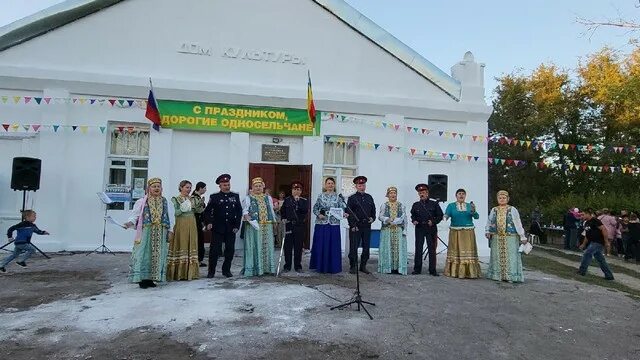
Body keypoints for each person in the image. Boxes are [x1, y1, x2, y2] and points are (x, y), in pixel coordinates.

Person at [124, 178, 173, 288]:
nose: (156, 188)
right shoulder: (142, 201)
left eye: (158, 186)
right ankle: (142, 279)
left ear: (161, 188)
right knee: (143, 253)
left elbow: (171, 217)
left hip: (161, 231)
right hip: (146, 231)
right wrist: (129, 223)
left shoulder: (165, 201)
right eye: (154, 186)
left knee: (158, 254)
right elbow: (135, 215)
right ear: (149, 188)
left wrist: (170, 231)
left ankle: (152, 279)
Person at [203, 174, 242, 278]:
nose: (227, 187)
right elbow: (207, 212)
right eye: (224, 185)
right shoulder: (214, 197)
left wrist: (237, 226)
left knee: (229, 250)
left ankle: (226, 270)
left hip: (231, 228)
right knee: (214, 251)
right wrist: (209, 222)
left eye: (228, 184)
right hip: (217, 228)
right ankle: (211, 271)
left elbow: (239, 212)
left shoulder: (235, 196)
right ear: (220, 186)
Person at [485, 190, 527, 283]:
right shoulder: (494, 209)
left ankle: (511, 276)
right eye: (500, 198)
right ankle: (497, 275)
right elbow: (490, 220)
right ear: (497, 199)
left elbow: (517, 222)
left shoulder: (512, 209)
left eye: (504, 198)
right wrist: (487, 231)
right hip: (497, 237)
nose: (502, 199)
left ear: (508, 199)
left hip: (510, 237)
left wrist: (522, 236)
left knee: (511, 257)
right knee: (496, 256)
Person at [242, 177, 278, 276]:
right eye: (256, 186)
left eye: (260, 186)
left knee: (267, 247)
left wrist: (274, 222)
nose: (258, 188)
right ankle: (256, 269)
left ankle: (267, 269)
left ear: (263, 187)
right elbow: (245, 210)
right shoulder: (248, 198)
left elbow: (271, 209)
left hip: (267, 225)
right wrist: (246, 216)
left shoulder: (268, 197)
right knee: (255, 246)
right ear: (252, 188)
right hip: (254, 226)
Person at [443, 189, 481, 279]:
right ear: (456, 195)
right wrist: (444, 218)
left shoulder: (469, 205)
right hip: (455, 231)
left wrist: (474, 211)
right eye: (459, 194)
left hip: (468, 231)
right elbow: (446, 215)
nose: (461, 195)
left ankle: (470, 272)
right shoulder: (451, 206)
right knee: (456, 250)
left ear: (465, 196)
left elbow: (477, 217)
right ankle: (455, 272)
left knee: (468, 252)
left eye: (463, 194)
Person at [310, 177, 345, 274]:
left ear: (334, 185)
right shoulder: (320, 196)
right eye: (328, 183)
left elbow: (343, 209)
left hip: (334, 224)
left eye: (332, 183)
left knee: (333, 245)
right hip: (322, 223)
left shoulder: (338, 198)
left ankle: (333, 267)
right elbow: (315, 208)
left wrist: (344, 213)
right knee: (322, 244)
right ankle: (320, 266)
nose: (330, 185)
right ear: (325, 185)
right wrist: (319, 214)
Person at [167, 180, 200, 281]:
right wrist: (182, 209)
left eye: (190, 187)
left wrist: (200, 205)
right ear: (181, 187)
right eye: (187, 187)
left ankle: (190, 273)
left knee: (191, 243)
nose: (189, 189)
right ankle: (178, 272)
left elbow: (197, 211)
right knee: (181, 243)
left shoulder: (193, 199)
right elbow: (174, 213)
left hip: (192, 223)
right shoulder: (175, 199)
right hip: (180, 224)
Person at [410, 183, 444, 276]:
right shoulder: (415, 205)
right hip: (420, 228)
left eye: (424, 192)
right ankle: (417, 269)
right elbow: (413, 215)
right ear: (418, 194)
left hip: (431, 228)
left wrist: (433, 222)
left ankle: (432, 270)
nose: (422, 194)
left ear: (427, 193)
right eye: (420, 192)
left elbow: (440, 216)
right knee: (418, 249)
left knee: (432, 249)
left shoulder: (434, 204)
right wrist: (414, 220)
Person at [347, 176, 376, 274]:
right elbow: (349, 213)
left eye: (363, 185)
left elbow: (373, 211)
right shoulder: (352, 198)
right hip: (356, 226)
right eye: (359, 185)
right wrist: (352, 225)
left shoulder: (369, 197)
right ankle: (353, 266)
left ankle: (363, 265)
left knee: (366, 247)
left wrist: (373, 218)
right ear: (356, 186)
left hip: (366, 226)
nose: (361, 187)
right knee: (353, 247)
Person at [377, 186, 408, 275]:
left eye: (394, 193)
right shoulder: (384, 205)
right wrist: (387, 219)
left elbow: (404, 218)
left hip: (398, 230)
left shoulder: (401, 205)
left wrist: (405, 229)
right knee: (388, 247)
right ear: (388, 195)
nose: (393, 195)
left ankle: (398, 268)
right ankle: (387, 267)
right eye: (391, 193)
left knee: (398, 249)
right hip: (387, 230)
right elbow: (380, 216)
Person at [577, 208, 614, 280]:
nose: (582, 216)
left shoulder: (595, 220)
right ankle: (609, 275)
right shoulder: (587, 222)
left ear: (588, 214)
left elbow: (604, 229)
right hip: (593, 242)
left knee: (587, 253)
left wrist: (606, 241)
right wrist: (584, 244)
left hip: (598, 242)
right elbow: (587, 235)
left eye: (583, 214)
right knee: (600, 259)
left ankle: (582, 271)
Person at [281, 181, 309, 272]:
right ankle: (287, 266)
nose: (296, 191)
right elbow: (283, 211)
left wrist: (298, 202)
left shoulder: (304, 201)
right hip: (289, 225)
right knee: (288, 247)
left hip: (299, 226)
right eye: (294, 189)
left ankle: (298, 266)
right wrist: (283, 218)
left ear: (301, 191)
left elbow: (305, 211)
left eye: (298, 189)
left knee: (298, 246)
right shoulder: (287, 200)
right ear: (292, 190)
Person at [191, 181, 207, 267]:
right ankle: (197, 260)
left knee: (200, 240)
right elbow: (196, 210)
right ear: (200, 188)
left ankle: (199, 259)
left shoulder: (198, 197)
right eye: (204, 188)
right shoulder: (194, 198)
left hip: (199, 221)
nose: (205, 190)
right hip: (195, 221)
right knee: (198, 240)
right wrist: (201, 205)